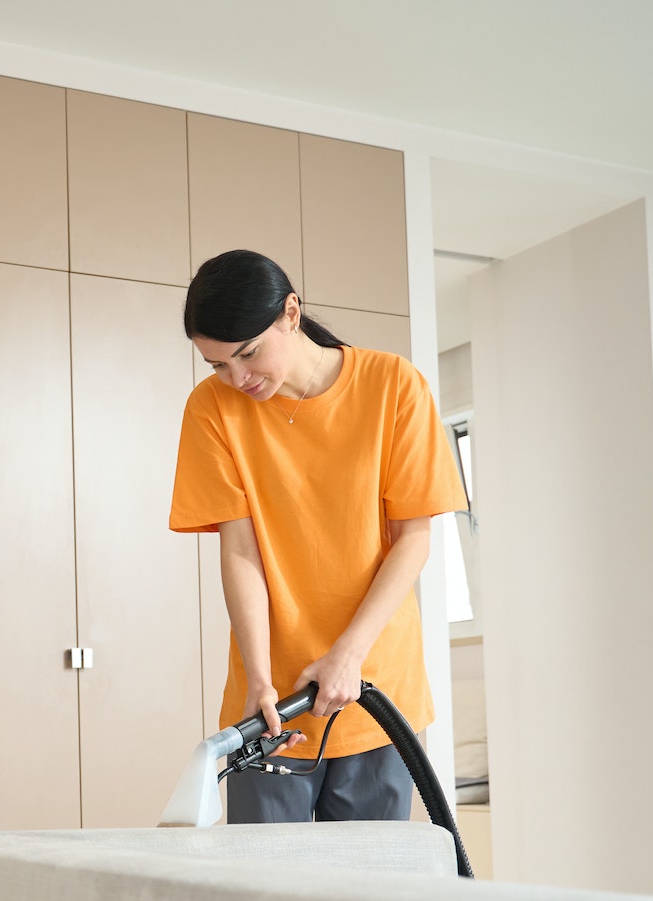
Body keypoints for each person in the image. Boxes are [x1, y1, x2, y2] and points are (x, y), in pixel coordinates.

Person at [169, 250, 466, 823]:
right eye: (218, 366)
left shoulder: (393, 386)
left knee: (370, 900)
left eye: (248, 354)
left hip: (375, 691)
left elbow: (414, 538)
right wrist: (259, 680)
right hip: (272, 708)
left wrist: (347, 657)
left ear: (291, 312)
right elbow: (240, 551)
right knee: (268, 897)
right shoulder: (212, 410)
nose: (238, 379)